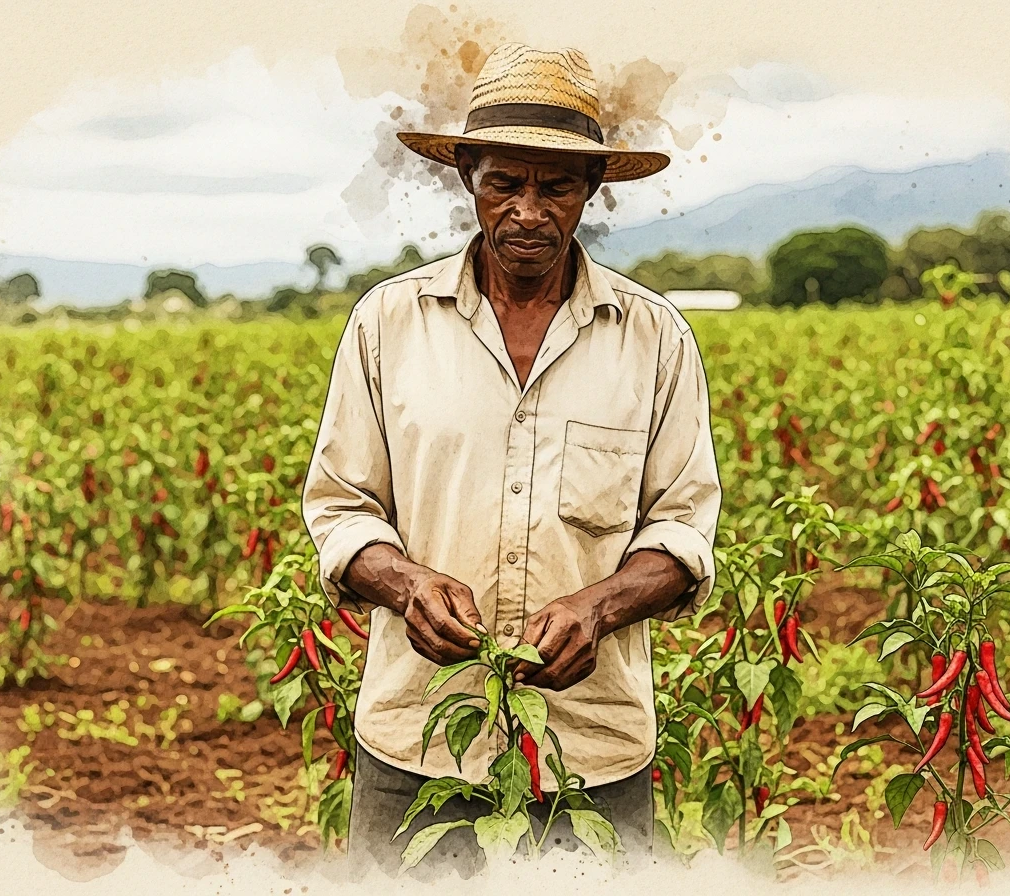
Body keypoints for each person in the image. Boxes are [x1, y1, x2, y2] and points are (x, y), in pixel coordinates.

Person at [302, 42, 721, 879]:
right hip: (420, 738)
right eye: (505, 181)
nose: (528, 210)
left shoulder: (653, 338)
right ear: (468, 178)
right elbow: (342, 507)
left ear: (591, 192)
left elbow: (682, 526)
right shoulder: (388, 324)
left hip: (590, 749)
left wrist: (600, 606)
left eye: (555, 185)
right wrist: (406, 584)